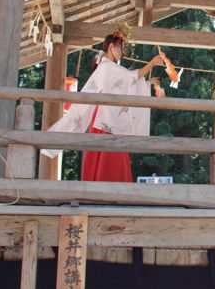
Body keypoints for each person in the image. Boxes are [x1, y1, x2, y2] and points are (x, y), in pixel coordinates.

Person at [44, 31, 165, 182]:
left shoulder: (108, 67)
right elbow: (131, 77)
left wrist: (147, 83)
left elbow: (128, 82)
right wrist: (152, 63)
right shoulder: (107, 67)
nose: (121, 53)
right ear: (112, 47)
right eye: (120, 48)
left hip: (107, 118)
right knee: (110, 155)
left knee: (108, 157)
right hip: (105, 120)